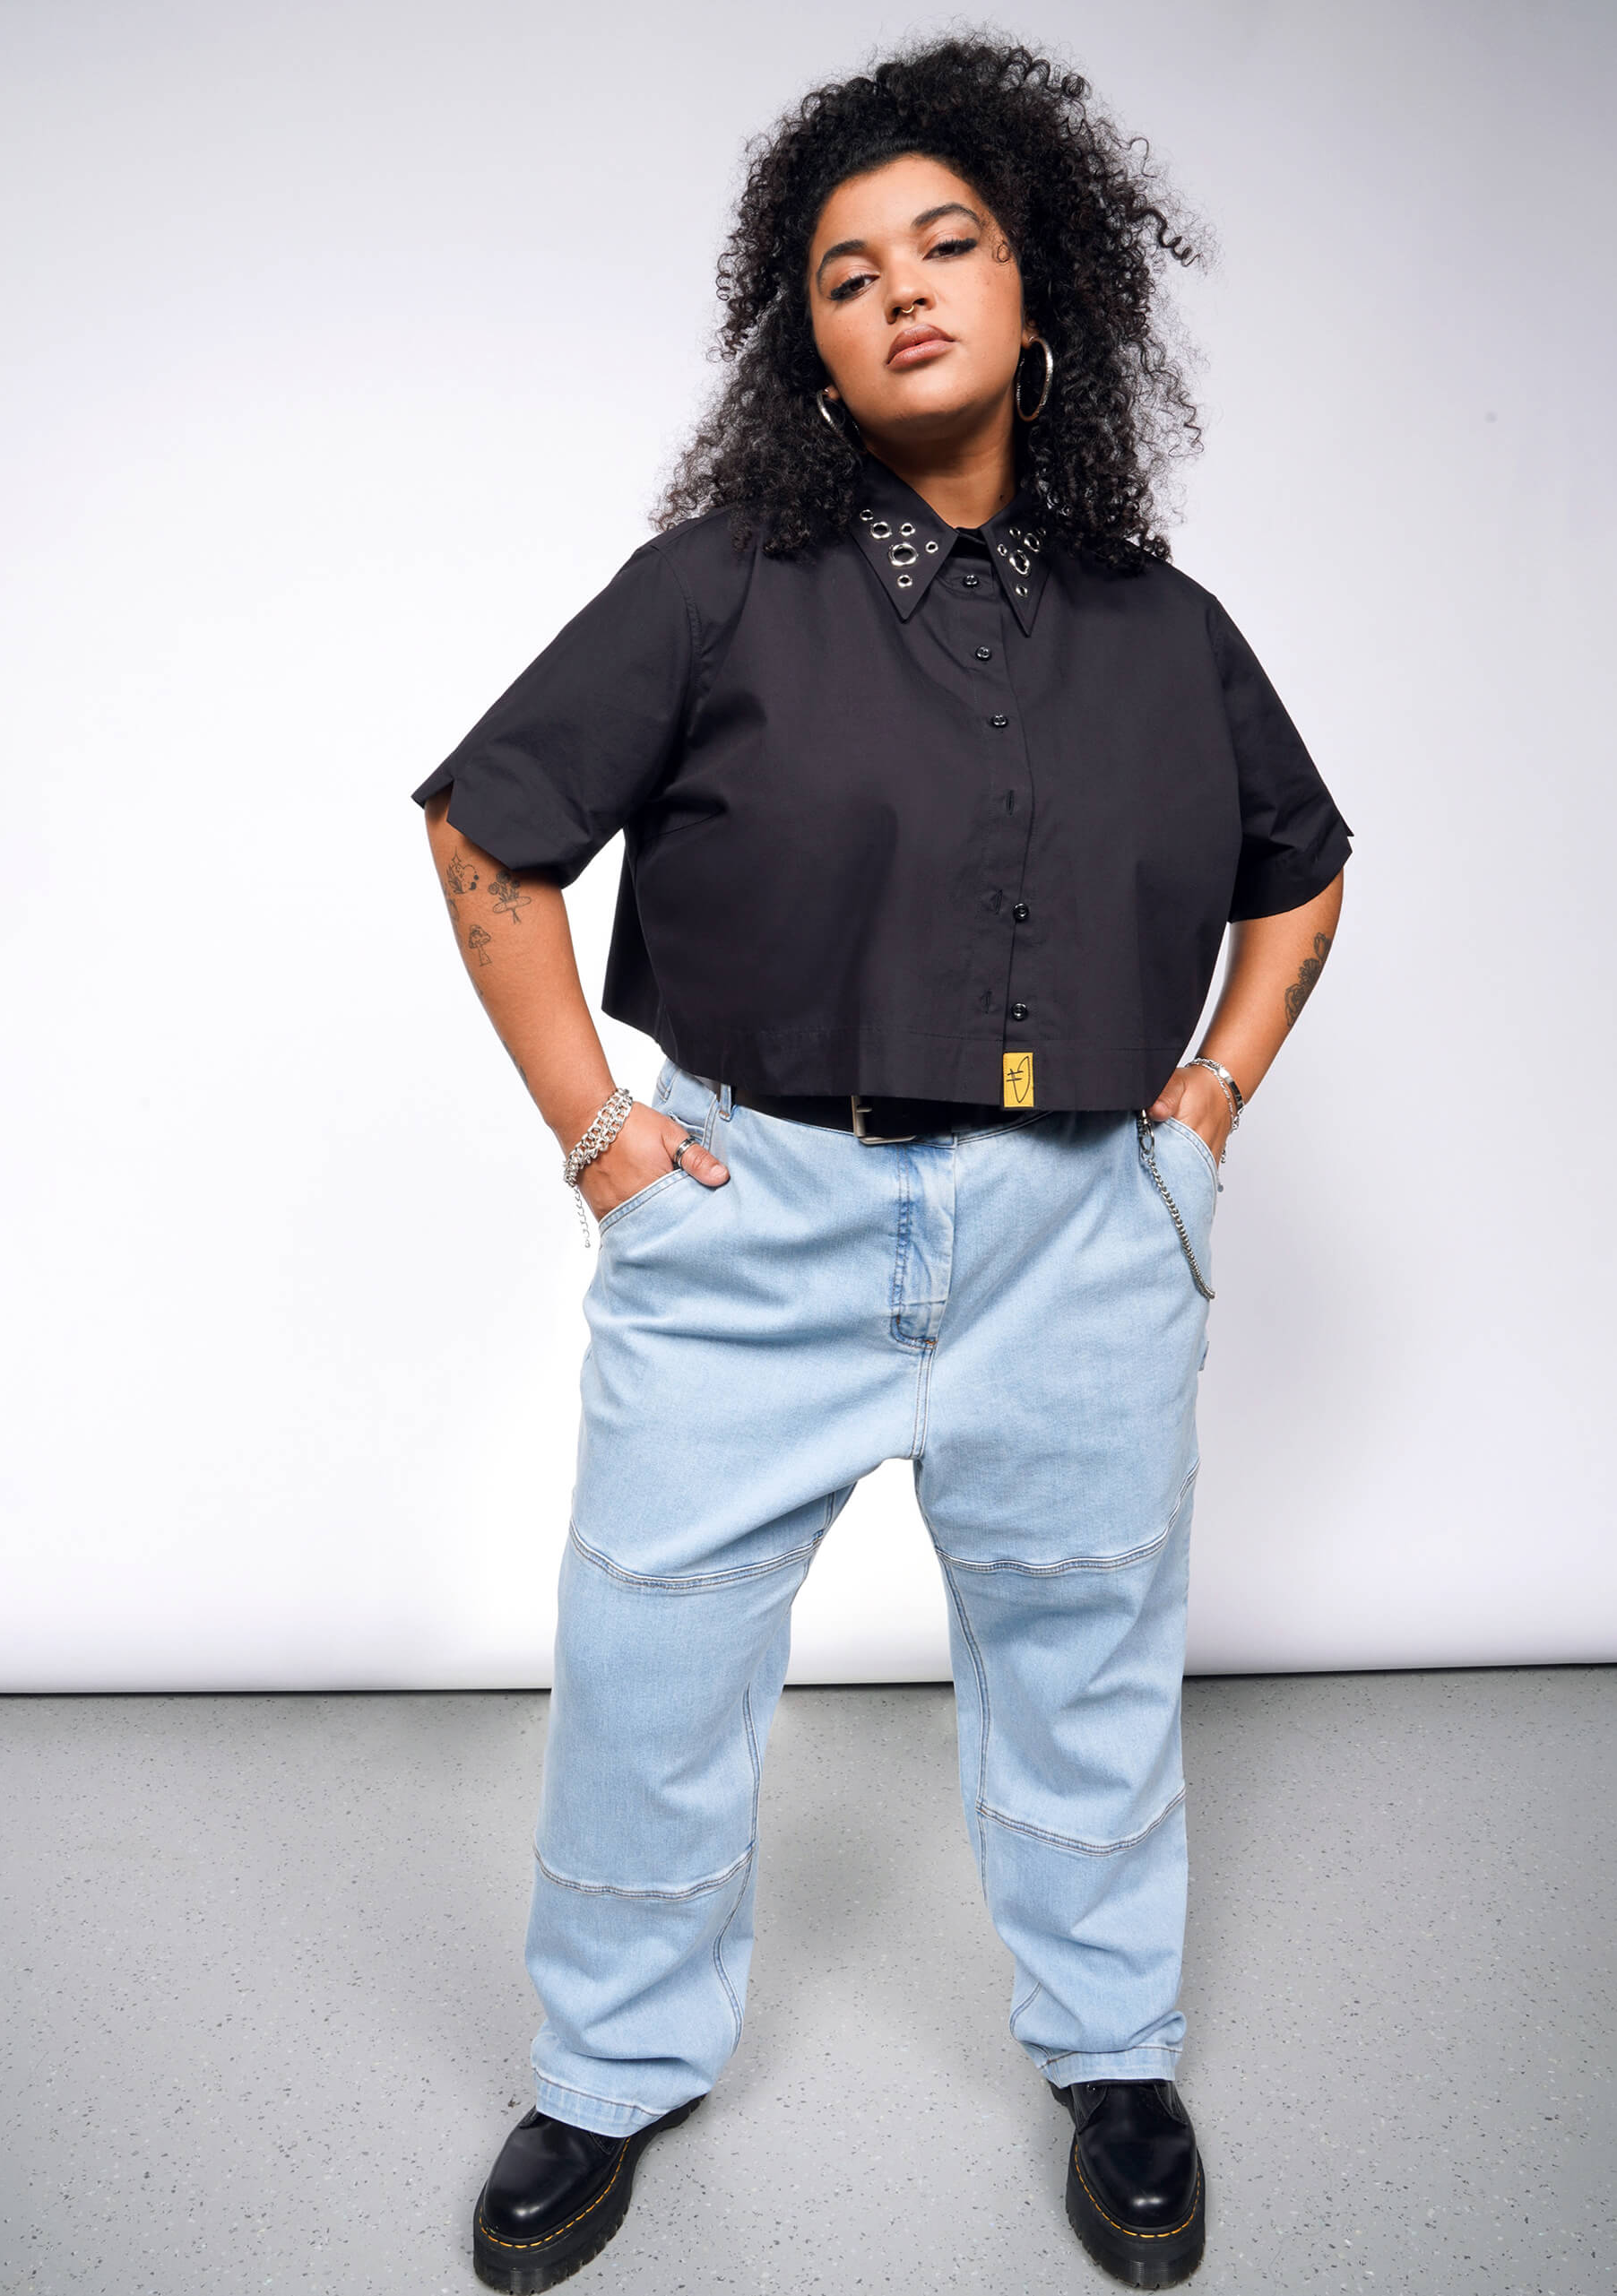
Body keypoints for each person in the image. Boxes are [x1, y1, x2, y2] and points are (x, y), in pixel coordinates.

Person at [412, 36, 1351, 2292]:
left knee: (1089, 1668)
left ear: (1045, 288)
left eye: (949, 243)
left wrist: (1199, 1121)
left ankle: (1115, 2055)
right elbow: (484, 837)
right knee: (650, 1668)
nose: (904, 292)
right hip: (761, 1226)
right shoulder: (723, 583)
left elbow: (1297, 874)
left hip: (1076, 1240)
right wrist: (605, 1142)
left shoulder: (1166, 628)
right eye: (846, 272)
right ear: (801, 335)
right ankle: (605, 2075)